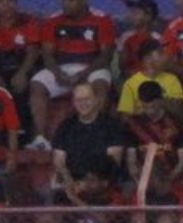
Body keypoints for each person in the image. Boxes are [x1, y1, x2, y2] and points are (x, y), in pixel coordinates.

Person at [29, 0, 118, 133]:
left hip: (92, 67)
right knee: (37, 84)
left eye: (70, 1)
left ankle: (94, 132)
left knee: (101, 87)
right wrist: (58, 73)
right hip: (62, 68)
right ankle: (40, 137)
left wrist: (83, 74)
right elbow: (47, 54)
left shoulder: (102, 19)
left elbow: (106, 56)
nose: (65, 5)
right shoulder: (53, 20)